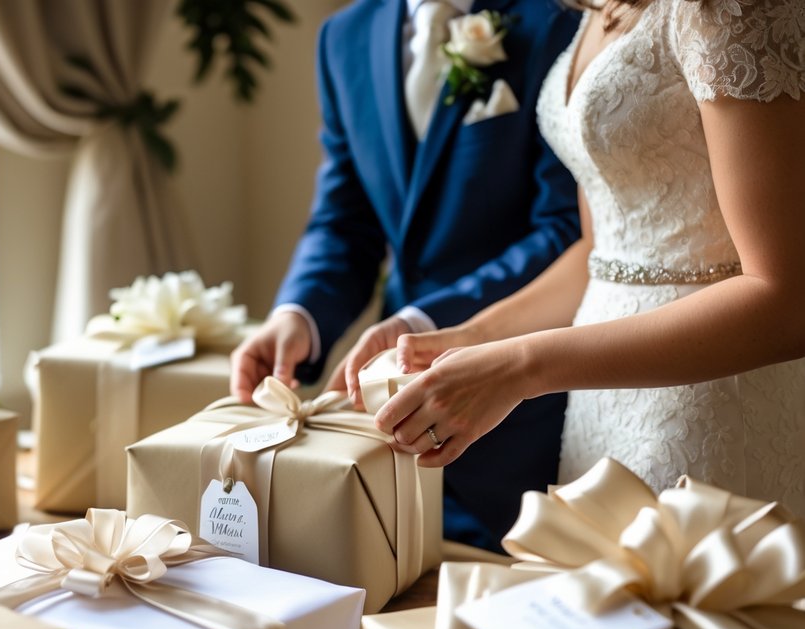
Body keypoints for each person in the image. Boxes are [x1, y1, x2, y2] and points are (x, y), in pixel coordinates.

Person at [373, 0, 805, 519]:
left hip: (712, 399)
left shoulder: (730, 9)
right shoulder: (595, 11)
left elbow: (786, 299)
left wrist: (521, 368)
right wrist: (476, 336)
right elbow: (600, 253)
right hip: (596, 399)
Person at [231, 0, 581, 550]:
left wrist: (429, 320)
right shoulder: (343, 38)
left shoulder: (555, 19)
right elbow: (345, 220)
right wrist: (298, 313)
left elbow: (568, 231)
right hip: (389, 414)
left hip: (522, 414)